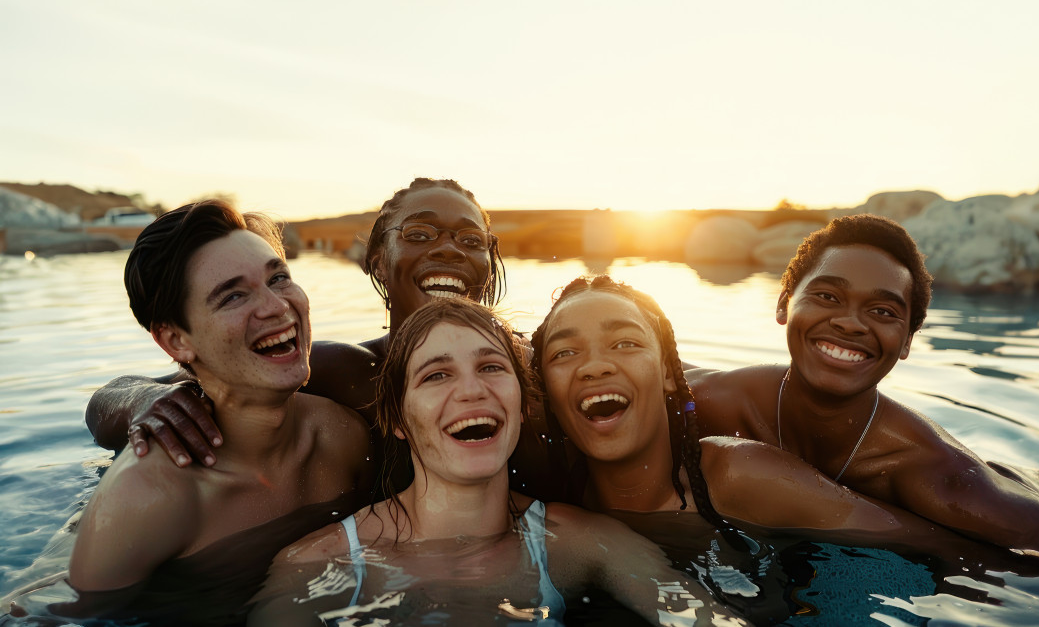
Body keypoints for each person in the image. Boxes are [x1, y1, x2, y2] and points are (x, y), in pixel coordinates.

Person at [250, 298, 745, 626]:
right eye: (436, 376)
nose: (472, 390)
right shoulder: (316, 565)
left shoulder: (581, 542)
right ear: (398, 419)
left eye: (491, 367)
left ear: (523, 402)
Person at [529, 274, 1039, 568]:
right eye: (564, 353)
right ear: (544, 392)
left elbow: (944, 550)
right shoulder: (545, 501)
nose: (595, 364)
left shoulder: (739, 476)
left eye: (625, 343)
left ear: (669, 374)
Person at [80, 178, 554, 494]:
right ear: (377, 262)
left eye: (471, 241)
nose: (449, 250)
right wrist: (144, 401)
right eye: (420, 233)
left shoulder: (540, 372)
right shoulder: (346, 374)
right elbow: (107, 400)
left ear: (490, 264)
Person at [687, 215, 1039, 557]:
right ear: (784, 304)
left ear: (907, 340)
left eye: (882, 311)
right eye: (827, 296)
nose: (851, 323)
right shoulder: (713, 401)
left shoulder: (940, 480)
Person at [57, 201, 373, 625]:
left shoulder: (343, 437)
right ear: (175, 341)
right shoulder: (148, 495)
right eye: (234, 295)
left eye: (278, 278)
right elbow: (67, 616)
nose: (277, 307)